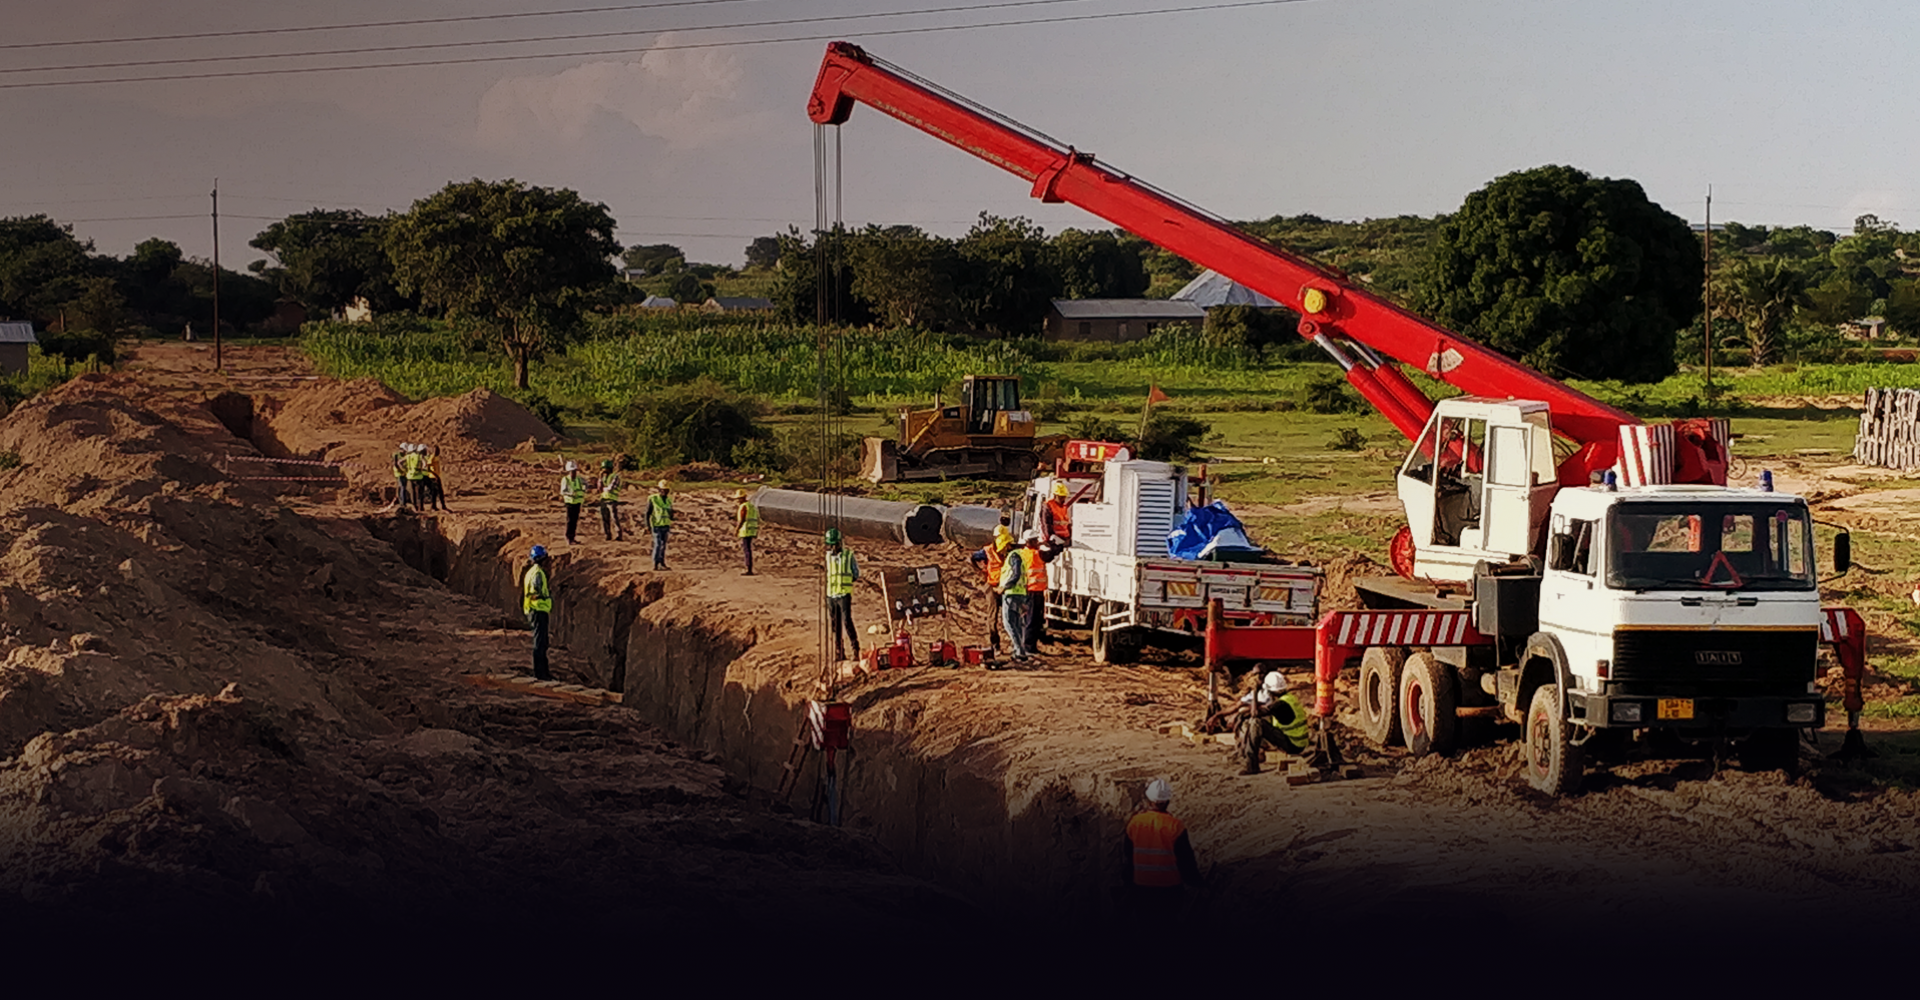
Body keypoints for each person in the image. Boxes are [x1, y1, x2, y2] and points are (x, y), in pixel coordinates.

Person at [1122, 778, 1203, 916]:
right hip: (1169, 889)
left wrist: (1128, 882)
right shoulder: (1175, 826)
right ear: (1168, 801)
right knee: (1167, 929)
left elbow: (1127, 856)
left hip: (1142, 887)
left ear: (1148, 800)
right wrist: (1197, 882)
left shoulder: (1135, 823)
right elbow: (1185, 859)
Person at [1205, 668, 1311, 773]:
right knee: (1250, 718)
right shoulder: (1289, 698)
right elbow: (1250, 707)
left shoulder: (1279, 705)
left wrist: (1255, 692)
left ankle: (1252, 765)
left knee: (1255, 723)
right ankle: (1250, 750)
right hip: (1299, 743)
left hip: (1292, 745)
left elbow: (1255, 714)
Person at [968, 525, 1014, 655]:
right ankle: (995, 645)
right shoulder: (987, 551)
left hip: (1005, 586)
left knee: (1010, 617)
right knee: (992, 618)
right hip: (992, 586)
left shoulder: (1010, 551)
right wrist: (980, 572)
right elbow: (971, 557)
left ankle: (1015, 644)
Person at [825, 528, 860, 661]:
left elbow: (856, 574)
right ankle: (839, 652)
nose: (832, 547)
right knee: (835, 625)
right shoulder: (827, 557)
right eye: (830, 545)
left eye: (834, 544)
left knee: (847, 621)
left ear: (839, 543)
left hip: (844, 594)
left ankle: (855, 649)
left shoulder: (848, 556)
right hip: (831, 595)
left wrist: (847, 582)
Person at [997, 532, 1031, 663]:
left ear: (1007, 546)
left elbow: (1015, 575)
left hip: (1012, 593)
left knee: (1009, 623)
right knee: (1016, 623)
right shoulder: (1020, 554)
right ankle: (1018, 650)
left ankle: (1019, 651)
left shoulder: (1013, 556)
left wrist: (1004, 587)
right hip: (1020, 593)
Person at [522, 545, 554, 681]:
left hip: (535, 609)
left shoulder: (531, 572)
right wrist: (543, 598)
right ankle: (540, 674)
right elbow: (536, 590)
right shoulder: (538, 573)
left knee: (542, 641)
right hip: (538, 609)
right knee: (540, 642)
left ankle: (543, 672)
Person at [1022, 529, 1057, 653]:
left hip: (1030, 590)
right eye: (1035, 540)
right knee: (1033, 619)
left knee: (1032, 619)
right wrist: (1056, 545)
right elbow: (1050, 555)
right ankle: (1029, 647)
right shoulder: (1035, 554)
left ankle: (1030, 645)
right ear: (1030, 541)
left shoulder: (1024, 553)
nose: (1037, 542)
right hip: (1034, 591)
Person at [559, 461, 588, 544]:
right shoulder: (565, 480)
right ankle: (569, 537)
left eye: (574, 471)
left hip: (578, 502)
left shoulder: (579, 479)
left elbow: (586, 484)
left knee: (574, 520)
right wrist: (570, 494)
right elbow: (563, 491)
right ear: (569, 472)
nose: (573, 473)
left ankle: (572, 537)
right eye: (572, 472)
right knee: (570, 520)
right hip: (569, 502)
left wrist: (584, 489)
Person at [647, 480, 673, 570]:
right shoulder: (653, 499)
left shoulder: (669, 500)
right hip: (656, 525)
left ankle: (662, 563)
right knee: (657, 544)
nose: (664, 492)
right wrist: (647, 525)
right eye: (662, 490)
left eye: (666, 490)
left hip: (665, 525)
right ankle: (655, 563)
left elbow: (670, 513)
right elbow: (648, 513)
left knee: (663, 546)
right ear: (659, 489)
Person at [597, 459, 625, 541]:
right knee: (605, 518)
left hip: (612, 500)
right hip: (603, 499)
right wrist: (600, 478)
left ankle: (618, 534)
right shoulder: (603, 477)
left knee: (614, 518)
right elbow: (599, 488)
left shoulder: (615, 477)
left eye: (605, 468)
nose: (604, 470)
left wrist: (603, 488)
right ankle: (607, 534)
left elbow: (611, 488)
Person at [735, 488, 759, 575]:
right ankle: (749, 568)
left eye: (738, 498)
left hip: (746, 530)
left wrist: (737, 529)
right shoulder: (751, 506)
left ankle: (748, 569)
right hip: (752, 529)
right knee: (748, 549)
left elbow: (742, 519)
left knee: (747, 550)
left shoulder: (744, 506)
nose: (737, 500)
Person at [402, 442, 429, 511]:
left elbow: (399, 462)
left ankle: (415, 507)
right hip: (418, 476)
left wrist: (404, 469)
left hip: (410, 476)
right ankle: (421, 506)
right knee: (420, 492)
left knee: (412, 492)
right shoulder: (419, 456)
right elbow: (425, 464)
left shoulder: (407, 456)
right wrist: (421, 468)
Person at [424, 443, 448, 511]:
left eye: (438, 450)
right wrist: (435, 475)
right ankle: (440, 506)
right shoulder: (432, 457)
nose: (437, 451)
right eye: (436, 450)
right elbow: (427, 467)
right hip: (433, 477)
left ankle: (436, 506)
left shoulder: (436, 457)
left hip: (436, 476)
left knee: (437, 492)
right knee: (437, 492)